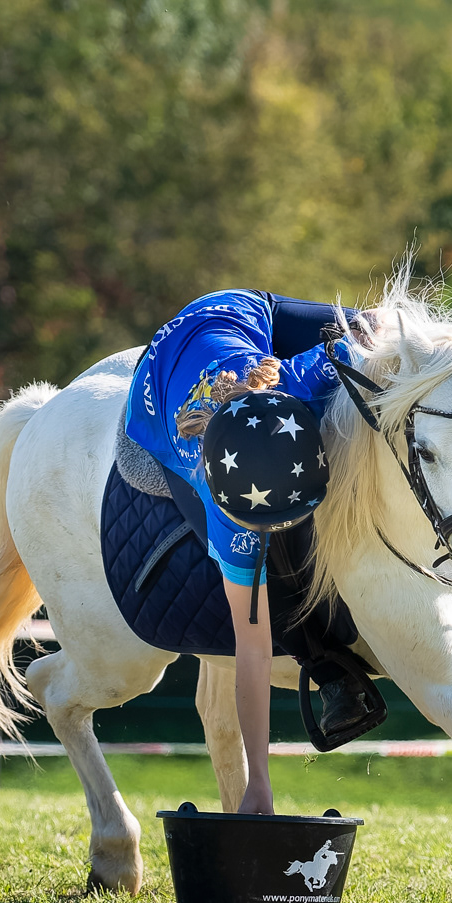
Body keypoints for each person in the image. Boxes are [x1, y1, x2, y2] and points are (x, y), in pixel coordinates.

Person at [122, 289, 365, 817]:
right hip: (158, 383)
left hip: (235, 309)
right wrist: (259, 782)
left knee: (378, 324)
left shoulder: (301, 379)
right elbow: (252, 648)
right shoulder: (221, 505)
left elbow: (384, 341)